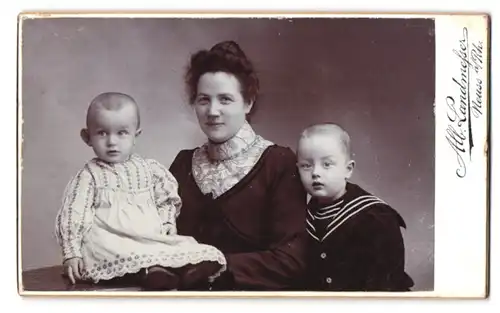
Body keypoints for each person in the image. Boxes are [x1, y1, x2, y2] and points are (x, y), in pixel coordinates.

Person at [169, 40, 308, 291]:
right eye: (203, 99)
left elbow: (291, 260)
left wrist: (219, 267)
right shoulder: (182, 164)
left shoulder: (278, 163)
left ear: (248, 103)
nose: (212, 111)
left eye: (225, 99)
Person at [54, 92, 226, 291]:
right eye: (102, 133)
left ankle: (189, 270)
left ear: (136, 135)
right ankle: (150, 273)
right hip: (111, 239)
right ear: (87, 137)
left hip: (148, 237)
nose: (112, 142)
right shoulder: (89, 176)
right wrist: (72, 252)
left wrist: (167, 222)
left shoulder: (149, 169)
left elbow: (166, 199)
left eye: (122, 133)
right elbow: (73, 213)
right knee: (110, 251)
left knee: (181, 246)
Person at [296, 123, 415, 291]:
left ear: (348, 169)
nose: (315, 172)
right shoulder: (300, 217)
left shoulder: (375, 217)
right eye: (306, 165)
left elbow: (385, 285)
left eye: (327, 164)